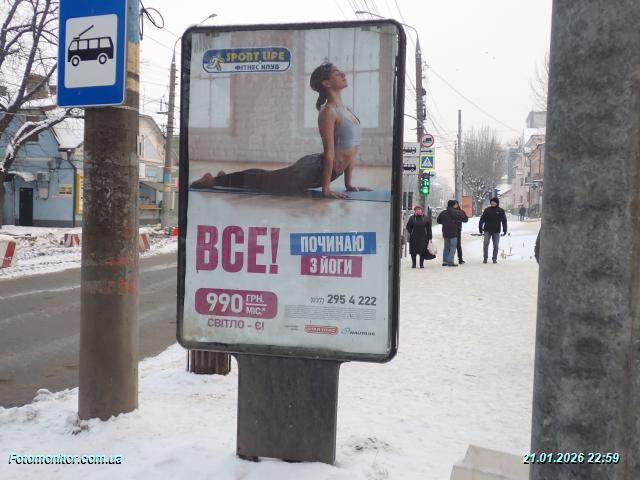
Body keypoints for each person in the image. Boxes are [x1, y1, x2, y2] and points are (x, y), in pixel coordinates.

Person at [190, 62, 371, 199]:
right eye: (337, 73)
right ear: (326, 83)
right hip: (312, 171)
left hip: (323, 171)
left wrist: (348, 184)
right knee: (263, 182)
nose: (343, 74)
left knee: (268, 178)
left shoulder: (347, 111)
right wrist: (326, 189)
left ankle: (225, 178)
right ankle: (212, 180)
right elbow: (329, 153)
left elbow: (352, 150)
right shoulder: (328, 112)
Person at [437, 200, 467, 267]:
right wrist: (458, 220)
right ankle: (450, 261)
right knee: (453, 246)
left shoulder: (443, 212)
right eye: (455, 204)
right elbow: (465, 219)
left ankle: (445, 261)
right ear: (453, 205)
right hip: (454, 232)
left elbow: (438, 221)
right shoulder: (457, 212)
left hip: (445, 232)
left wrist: (445, 222)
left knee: (446, 247)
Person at [479, 197, 508, 264]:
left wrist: (505, 229)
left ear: (497, 203)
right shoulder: (487, 210)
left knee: (496, 245)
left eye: (494, 202)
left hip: (496, 230)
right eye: (491, 202)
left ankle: (494, 258)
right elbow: (482, 219)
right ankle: (485, 258)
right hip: (487, 230)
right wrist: (480, 227)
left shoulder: (501, 211)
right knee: (485, 244)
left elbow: (504, 221)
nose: (492, 203)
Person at [452, 200, 468, 264]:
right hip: (450, 230)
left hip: (458, 229)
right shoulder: (449, 212)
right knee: (450, 245)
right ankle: (449, 259)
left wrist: (459, 219)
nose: (455, 205)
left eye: (456, 204)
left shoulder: (461, 211)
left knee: (458, 244)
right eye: (454, 204)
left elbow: (466, 219)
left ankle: (460, 259)